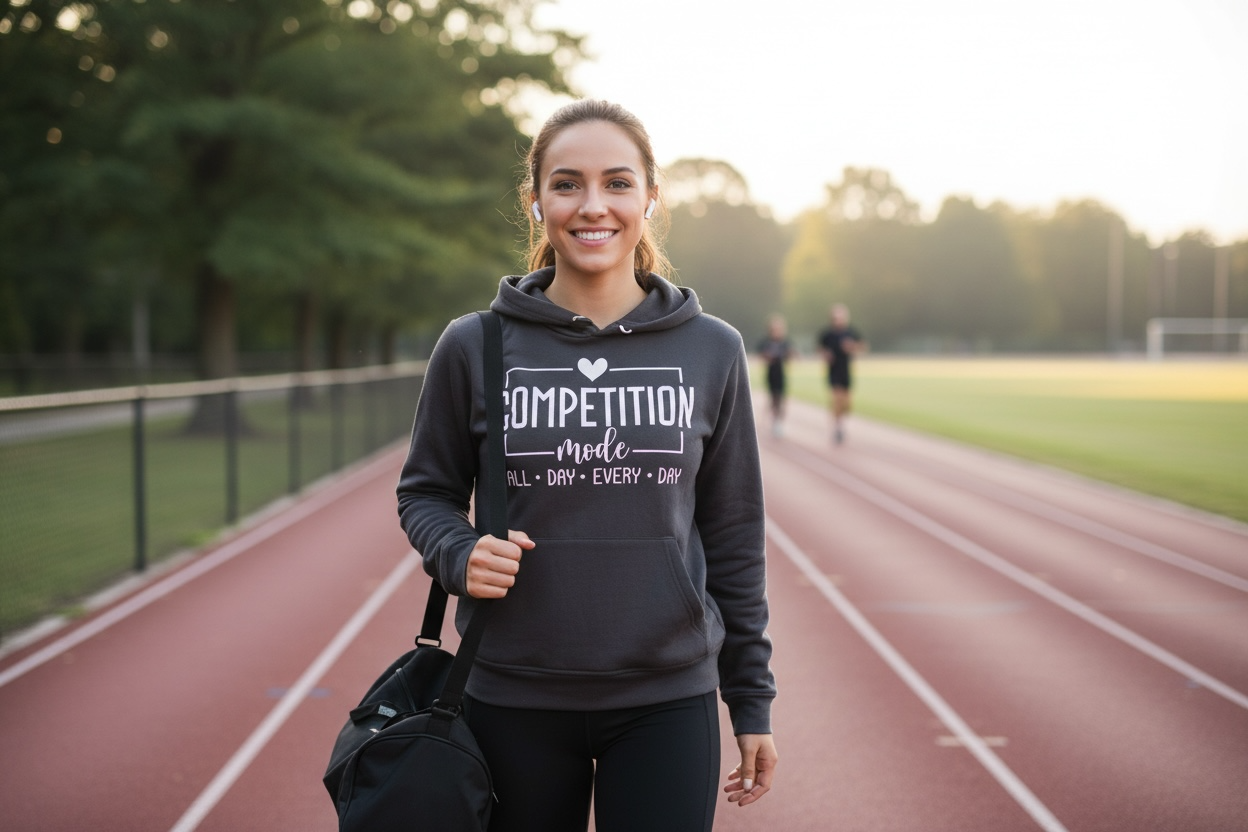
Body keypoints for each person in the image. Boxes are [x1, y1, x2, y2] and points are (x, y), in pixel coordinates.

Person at [396, 99, 777, 832]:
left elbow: (733, 533)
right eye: (567, 184)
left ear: (650, 198)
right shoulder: (475, 345)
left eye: (617, 183)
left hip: (668, 700)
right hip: (511, 696)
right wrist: (458, 551)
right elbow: (426, 493)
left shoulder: (712, 350)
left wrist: (751, 700)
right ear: (535, 201)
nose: (592, 206)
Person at [817, 302, 866, 444]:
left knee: (847, 404)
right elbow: (820, 349)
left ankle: (840, 423)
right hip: (833, 371)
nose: (839, 319)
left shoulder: (851, 332)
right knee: (837, 399)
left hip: (846, 371)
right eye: (837, 317)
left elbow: (863, 346)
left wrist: (852, 347)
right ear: (832, 318)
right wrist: (826, 354)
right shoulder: (827, 334)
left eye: (842, 317)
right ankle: (838, 428)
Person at [756, 313, 795, 437]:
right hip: (771, 373)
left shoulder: (785, 342)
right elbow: (761, 355)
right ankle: (774, 420)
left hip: (781, 373)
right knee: (773, 398)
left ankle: (778, 421)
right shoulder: (766, 342)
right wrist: (767, 356)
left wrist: (790, 355)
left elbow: (791, 355)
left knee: (781, 398)